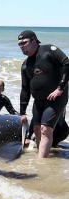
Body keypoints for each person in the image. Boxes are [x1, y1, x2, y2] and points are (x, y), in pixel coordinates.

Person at [18, 30, 69, 158]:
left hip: (56, 98)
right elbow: (25, 89)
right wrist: (22, 112)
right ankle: (42, 158)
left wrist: (60, 88)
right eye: (19, 44)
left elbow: (66, 63)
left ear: (34, 41)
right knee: (36, 130)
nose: (21, 46)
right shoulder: (25, 65)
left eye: (24, 42)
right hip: (38, 101)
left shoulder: (49, 50)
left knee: (45, 129)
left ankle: (41, 162)